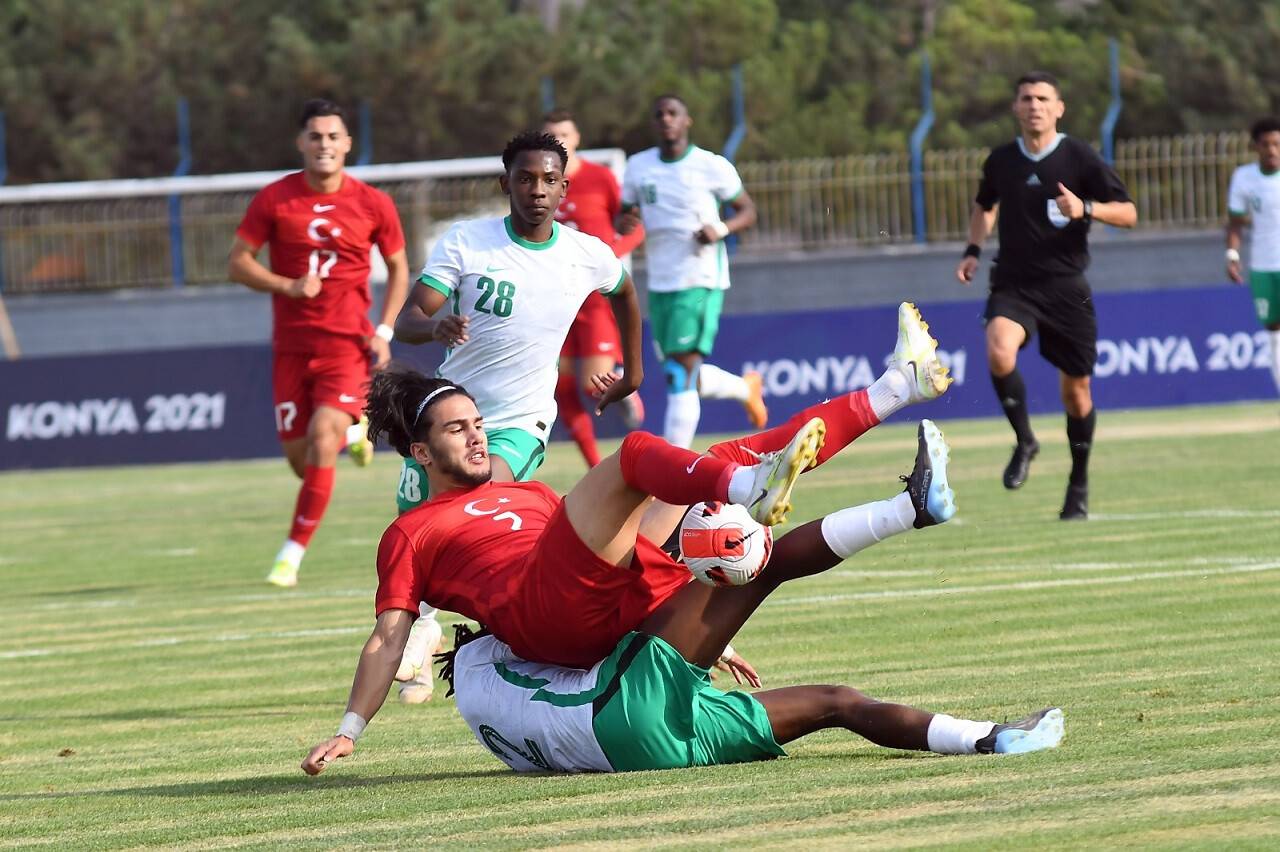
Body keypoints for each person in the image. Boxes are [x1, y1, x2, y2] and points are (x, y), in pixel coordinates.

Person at [299, 302, 956, 770]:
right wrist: (351, 730)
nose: (475, 434)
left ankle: (897, 387)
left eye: (476, 421)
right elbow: (390, 635)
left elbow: (604, 548)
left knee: (727, 454)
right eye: (455, 429)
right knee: (635, 456)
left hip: (606, 605)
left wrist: (697, 629)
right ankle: (743, 490)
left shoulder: (525, 491)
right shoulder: (410, 532)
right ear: (419, 453)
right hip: (546, 612)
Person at [388, 130, 646, 702]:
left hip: (520, 419)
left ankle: (435, 632)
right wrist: (435, 327)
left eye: (548, 180)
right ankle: (430, 631)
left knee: (475, 500)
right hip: (448, 415)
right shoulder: (467, 243)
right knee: (417, 524)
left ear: (563, 187)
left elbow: (625, 294)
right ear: (505, 184)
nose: (537, 190)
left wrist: (634, 374)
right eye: (525, 179)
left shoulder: (585, 253)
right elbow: (408, 319)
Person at [229, 98, 410, 587]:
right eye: (315, 136)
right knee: (301, 459)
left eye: (333, 136)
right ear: (301, 143)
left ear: (348, 144)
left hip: (346, 348)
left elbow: (398, 267)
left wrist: (385, 330)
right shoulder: (275, 199)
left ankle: (290, 555)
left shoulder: (374, 203)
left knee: (321, 437)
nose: (324, 145)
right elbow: (238, 261)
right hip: (290, 347)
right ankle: (356, 432)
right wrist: (286, 285)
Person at [955, 71, 1137, 521]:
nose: (1034, 105)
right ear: (1016, 108)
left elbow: (1129, 213)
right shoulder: (1001, 160)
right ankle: (1025, 441)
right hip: (1014, 283)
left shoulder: (1080, 157)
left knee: (1077, 394)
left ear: (1059, 108)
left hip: (1066, 289)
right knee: (999, 352)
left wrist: (1087, 208)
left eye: (1042, 98)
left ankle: (1077, 485)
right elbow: (985, 204)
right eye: (1026, 98)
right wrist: (974, 249)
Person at [618, 94, 767, 449]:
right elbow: (625, 215)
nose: (666, 119)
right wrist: (627, 221)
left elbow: (747, 211)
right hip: (660, 280)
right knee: (684, 373)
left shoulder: (711, 165)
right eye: (659, 114)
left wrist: (721, 229)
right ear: (653, 124)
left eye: (673, 113)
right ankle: (745, 388)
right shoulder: (639, 167)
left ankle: (674, 469)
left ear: (687, 121)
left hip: (700, 277)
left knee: (678, 373)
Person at [543, 109, 647, 467]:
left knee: (593, 385)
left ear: (577, 139)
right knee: (563, 390)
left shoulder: (600, 178)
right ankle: (594, 466)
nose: (558, 141)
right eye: (551, 135)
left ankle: (623, 385)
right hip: (554, 302)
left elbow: (636, 228)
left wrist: (606, 259)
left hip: (594, 302)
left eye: (564, 134)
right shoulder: (539, 184)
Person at [1226, 116, 1280, 399]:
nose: (1272, 150)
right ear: (1255, 146)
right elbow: (1235, 221)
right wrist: (1232, 253)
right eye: (1266, 144)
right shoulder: (1244, 177)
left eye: (1277, 144)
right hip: (1263, 264)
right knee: (1274, 330)